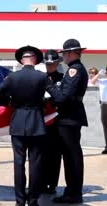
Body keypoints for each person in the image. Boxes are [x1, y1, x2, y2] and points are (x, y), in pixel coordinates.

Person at [0, 45, 48, 206]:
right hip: (37, 123)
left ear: (22, 60)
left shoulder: (12, 78)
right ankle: (33, 200)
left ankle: (20, 201)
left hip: (18, 122)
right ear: (34, 59)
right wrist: (42, 102)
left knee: (19, 163)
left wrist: (10, 102)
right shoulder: (42, 77)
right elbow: (56, 96)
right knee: (35, 164)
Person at [45, 39, 88, 204]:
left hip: (69, 118)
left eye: (64, 54)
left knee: (72, 157)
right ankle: (72, 192)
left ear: (71, 53)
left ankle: (73, 194)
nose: (62, 57)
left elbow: (62, 97)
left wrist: (48, 85)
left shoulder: (74, 71)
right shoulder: (75, 69)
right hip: (70, 117)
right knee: (71, 157)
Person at [41, 49, 64, 195]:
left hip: (56, 120)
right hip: (41, 120)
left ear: (57, 63)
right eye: (48, 64)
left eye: (53, 63)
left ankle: (52, 184)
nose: (50, 66)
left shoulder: (62, 77)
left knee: (55, 154)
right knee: (40, 153)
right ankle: (40, 182)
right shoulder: (39, 77)